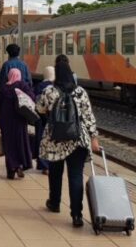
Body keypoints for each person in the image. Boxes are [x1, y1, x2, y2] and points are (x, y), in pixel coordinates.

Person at [35, 61, 100, 228]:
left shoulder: (49, 91)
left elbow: (39, 109)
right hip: (77, 139)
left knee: (55, 173)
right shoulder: (80, 92)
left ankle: (55, 203)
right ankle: (77, 214)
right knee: (76, 176)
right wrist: (94, 138)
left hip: (55, 139)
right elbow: (88, 116)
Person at [0, 68, 35, 179]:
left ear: (9, 76)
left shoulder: (5, 88)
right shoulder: (23, 85)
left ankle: (11, 169)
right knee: (20, 143)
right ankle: (20, 166)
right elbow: (32, 98)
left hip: (6, 121)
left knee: (9, 145)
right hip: (20, 120)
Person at [33, 66, 54, 175]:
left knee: (40, 141)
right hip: (52, 121)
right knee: (51, 142)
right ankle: (50, 165)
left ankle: (42, 165)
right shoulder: (56, 87)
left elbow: (34, 101)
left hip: (40, 119)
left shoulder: (38, 86)